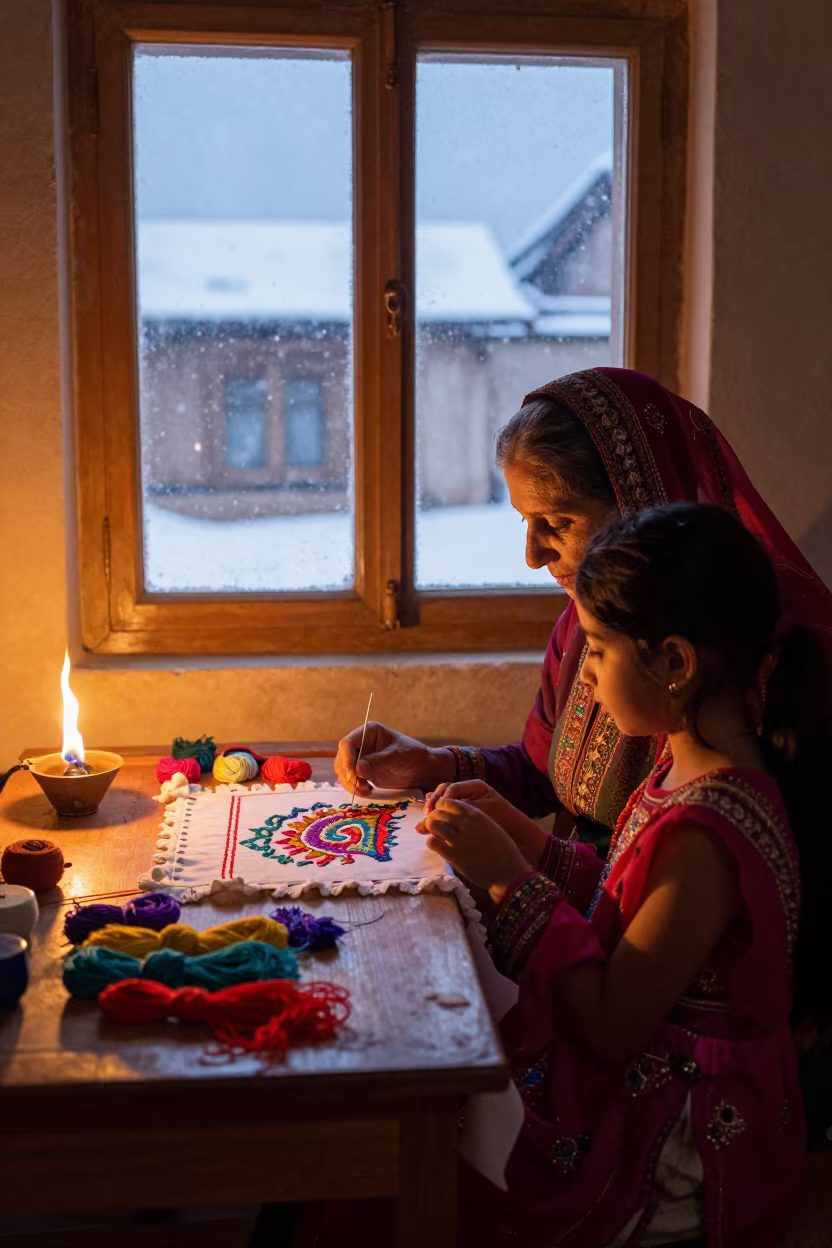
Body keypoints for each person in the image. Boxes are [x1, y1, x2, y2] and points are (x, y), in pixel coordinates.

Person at [419, 502, 828, 1248]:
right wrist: (521, 837)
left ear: (675, 664)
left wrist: (512, 880)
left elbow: (609, 1023)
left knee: (439, 1160)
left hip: (677, 1130)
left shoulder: (710, 835)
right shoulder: (691, 768)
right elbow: (623, 897)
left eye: (600, 652)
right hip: (647, 1070)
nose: (591, 676)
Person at [335, 368, 832, 860]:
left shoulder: (751, 667)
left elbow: (679, 890)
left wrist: (523, 868)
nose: (532, 555)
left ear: (638, 508)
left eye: (556, 522)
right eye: (525, 521)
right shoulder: (580, 630)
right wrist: (426, 765)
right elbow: (542, 772)